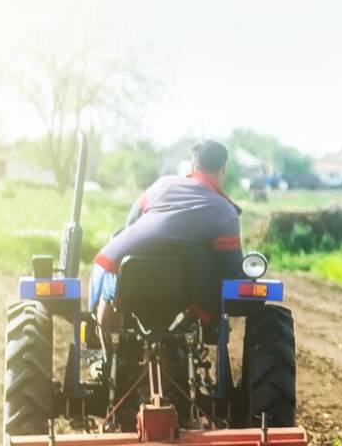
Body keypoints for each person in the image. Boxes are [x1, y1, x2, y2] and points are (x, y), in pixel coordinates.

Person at [87, 139, 245, 330]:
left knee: (111, 255)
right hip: (186, 286)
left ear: (192, 165)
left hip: (130, 272)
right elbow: (229, 268)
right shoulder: (225, 211)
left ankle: (100, 315)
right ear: (223, 168)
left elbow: (130, 225)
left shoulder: (163, 185)